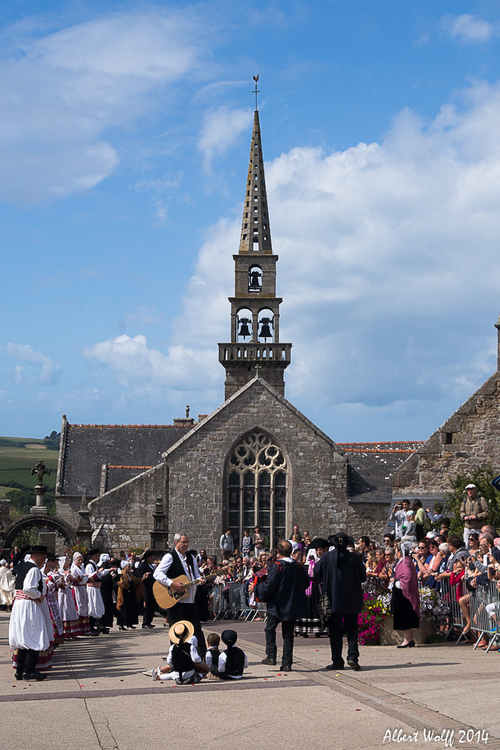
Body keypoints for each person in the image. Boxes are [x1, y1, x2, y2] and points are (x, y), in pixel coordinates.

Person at [252, 539, 308, 672]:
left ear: (278, 552)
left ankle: (271, 656)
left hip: (277, 604)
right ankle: (287, 663)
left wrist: (257, 587)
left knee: (270, 629)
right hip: (291, 604)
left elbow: (269, 585)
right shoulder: (298, 567)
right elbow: (305, 583)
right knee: (288, 634)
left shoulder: (277, 566)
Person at [314, 532, 366, 671]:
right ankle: (352, 656)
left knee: (335, 630)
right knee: (352, 628)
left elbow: (316, 573)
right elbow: (363, 576)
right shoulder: (354, 558)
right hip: (351, 598)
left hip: (333, 598)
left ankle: (337, 661)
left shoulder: (326, 557)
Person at [153, 532, 206, 656]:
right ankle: (177, 658)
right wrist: (172, 584)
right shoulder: (170, 556)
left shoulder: (190, 557)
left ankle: (202, 657)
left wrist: (200, 580)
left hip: (190, 599)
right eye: (184, 542)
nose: (186, 545)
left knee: (196, 630)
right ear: (176, 543)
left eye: (187, 542)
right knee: (177, 631)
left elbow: (195, 574)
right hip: (176, 600)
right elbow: (157, 574)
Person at [9, 544, 51, 681]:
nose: (44, 561)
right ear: (36, 556)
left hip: (20, 605)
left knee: (23, 637)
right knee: (34, 634)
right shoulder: (34, 569)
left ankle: (20, 671)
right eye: (43, 558)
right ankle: (29, 670)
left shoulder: (23, 566)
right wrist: (39, 595)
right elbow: (29, 588)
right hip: (29, 605)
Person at [392, 542, 420, 648]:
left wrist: (400, 583)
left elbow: (407, 575)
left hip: (405, 593)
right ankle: (409, 639)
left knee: (406, 615)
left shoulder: (405, 562)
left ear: (399, 552)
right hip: (407, 592)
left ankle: (408, 640)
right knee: (408, 615)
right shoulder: (407, 561)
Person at [85, 548, 106, 635]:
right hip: (92, 589)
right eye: (97, 555)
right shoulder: (89, 565)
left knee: (96, 606)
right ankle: (91, 627)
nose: (98, 557)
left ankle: (97, 625)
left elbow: (98, 575)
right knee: (92, 607)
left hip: (96, 589)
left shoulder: (94, 565)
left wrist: (105, 571)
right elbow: (89, 578)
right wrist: (98, 572)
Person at [135, 549, 157, 629]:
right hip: (146, 588)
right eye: (151, 557)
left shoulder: (150, 566)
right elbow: (139, 576)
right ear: (148, 558)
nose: (153, 558)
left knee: (151, 605)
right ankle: (145, 622)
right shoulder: (143, 566)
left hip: (152, 588)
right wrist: (144, 577)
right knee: (147, 605)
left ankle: (149, 621)